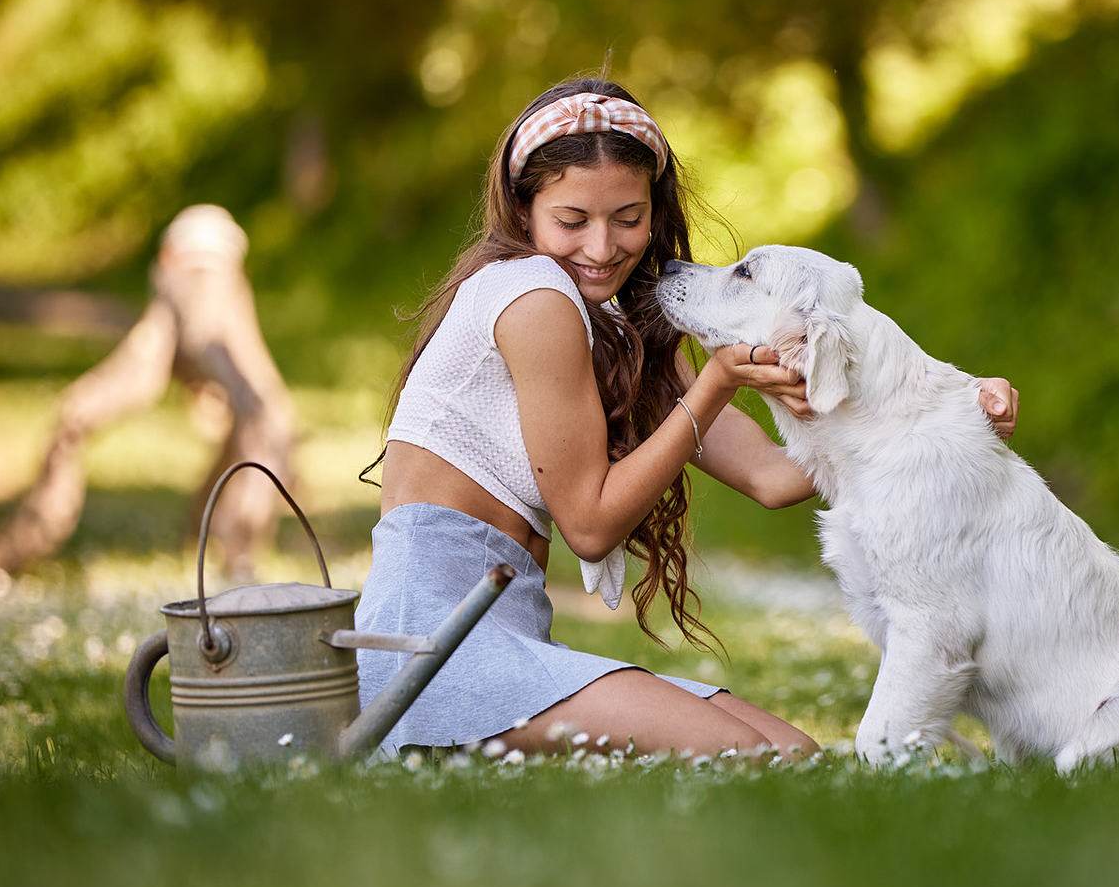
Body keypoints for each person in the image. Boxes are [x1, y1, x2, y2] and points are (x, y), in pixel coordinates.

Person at [355, 77, 1019, 761]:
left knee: (797, 753)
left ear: (654, 208)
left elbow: (771, 475)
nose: (603, 245)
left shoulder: (611, 324)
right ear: (525, 211)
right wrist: (716, 381)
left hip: (504, 638)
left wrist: (954, 412)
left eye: (628, 217)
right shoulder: (533, 296)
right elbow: (588, 525)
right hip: (433, 651)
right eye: (573, 219)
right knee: (763, 759)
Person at [0, 205, 296, 579]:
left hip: (187, 284)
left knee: (79, 412)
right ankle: (235, 551)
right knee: (263, 414)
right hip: (197, 288)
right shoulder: (215, 291)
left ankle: (213, 538)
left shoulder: (187, 283)